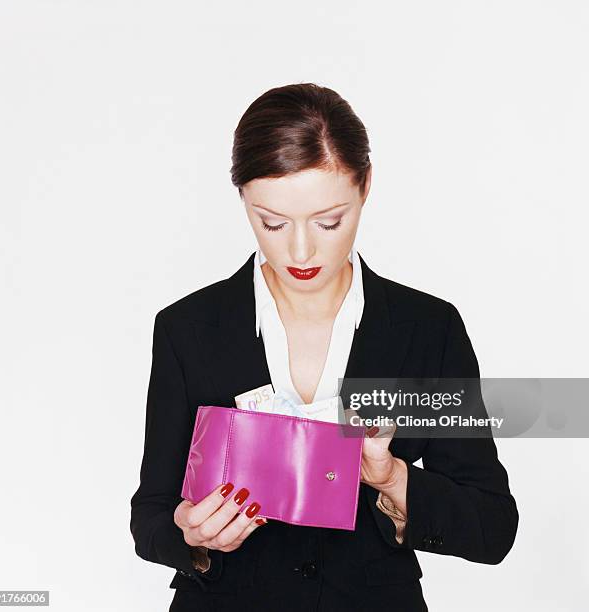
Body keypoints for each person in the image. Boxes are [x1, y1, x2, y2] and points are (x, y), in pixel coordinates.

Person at [130, 83, 519, 612]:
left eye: (328, 221)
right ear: (242, 196)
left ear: (366, 187)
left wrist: (392, 479)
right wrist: (189, 534)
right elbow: (150, 514)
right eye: (271, 222)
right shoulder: (188, 328)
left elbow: (491, 524)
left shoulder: (426, 329)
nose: (300, 249)